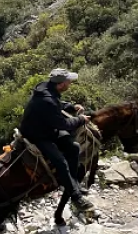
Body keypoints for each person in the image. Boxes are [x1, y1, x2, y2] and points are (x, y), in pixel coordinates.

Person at [18, 69, 95, 211]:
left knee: (74, 147)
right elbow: (63, 124)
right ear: (61, 84)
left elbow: (57, 102)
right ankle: (76, 197)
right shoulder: (48, 100)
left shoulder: (46, 89)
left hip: (44, 128)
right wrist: (80, 119)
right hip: (37, 135)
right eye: (68, 81)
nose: (70, 83)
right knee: (61, 162)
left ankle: (73, 184)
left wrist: (71, 106)